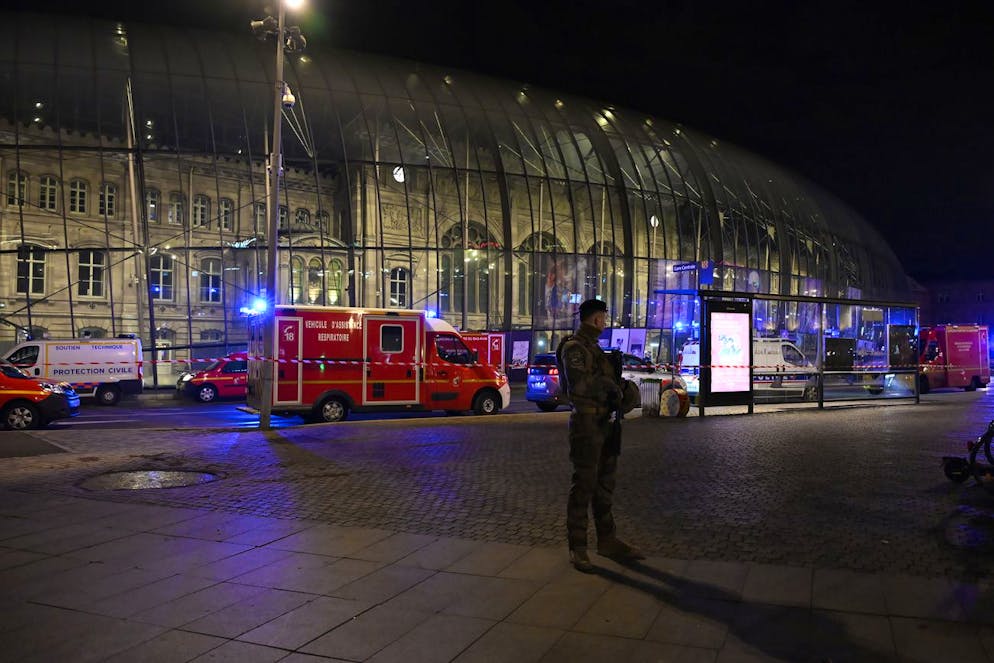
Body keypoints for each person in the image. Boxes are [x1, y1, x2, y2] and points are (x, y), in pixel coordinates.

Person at [557, 298, 644, 572]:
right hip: (586, 425)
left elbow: (612, 385)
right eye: (603, 318)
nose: (605, 323)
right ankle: (578, 548)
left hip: (606, 423)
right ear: (596, 319)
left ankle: (607, 540)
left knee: (605, 485)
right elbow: (580, 384)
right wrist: (609, 386)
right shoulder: (574, 348)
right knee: (584, 485)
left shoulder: (596, 350)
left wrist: (625, 391)